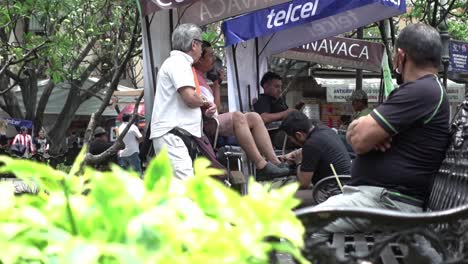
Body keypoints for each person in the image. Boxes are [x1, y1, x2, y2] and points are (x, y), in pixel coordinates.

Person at [314, 23, 450, 235]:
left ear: (400, 56)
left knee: (291, 232)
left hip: (388, 204)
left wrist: (366, 130)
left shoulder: (421, 91)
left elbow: (358, 139)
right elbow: (357, 134)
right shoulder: (425, 90)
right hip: (378, 201)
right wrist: (365, 129)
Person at [193, 41, 289, 179]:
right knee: (238, 116)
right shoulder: (192, 75)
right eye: (211, 55)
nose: (214, 59)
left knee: (254, 117)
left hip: (214, 120)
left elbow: (218, 108)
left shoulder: (203, 79)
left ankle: (275, 161)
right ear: (200, 58)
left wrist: (216, 84)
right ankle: (261, 165)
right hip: (204, 124)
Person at [150, 23, 217, 180]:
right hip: (172, 136)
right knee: (185, 191)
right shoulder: (179, 62)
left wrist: (204, 107)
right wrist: (205, 101)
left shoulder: (178, 63)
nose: (201, 50)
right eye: (201, 44)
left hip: (174, 136)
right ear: (194, 44)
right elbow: (190, 98)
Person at [279, 111, 351, 189]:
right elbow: (318, 149)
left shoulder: (310, 145)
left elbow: (303, 183)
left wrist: (298, 162)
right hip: (346, 183)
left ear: (298, 135)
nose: (291, 141)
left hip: (334, 190)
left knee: (282, 195)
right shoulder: (324, 130)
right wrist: (296, 153)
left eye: (290, 138)